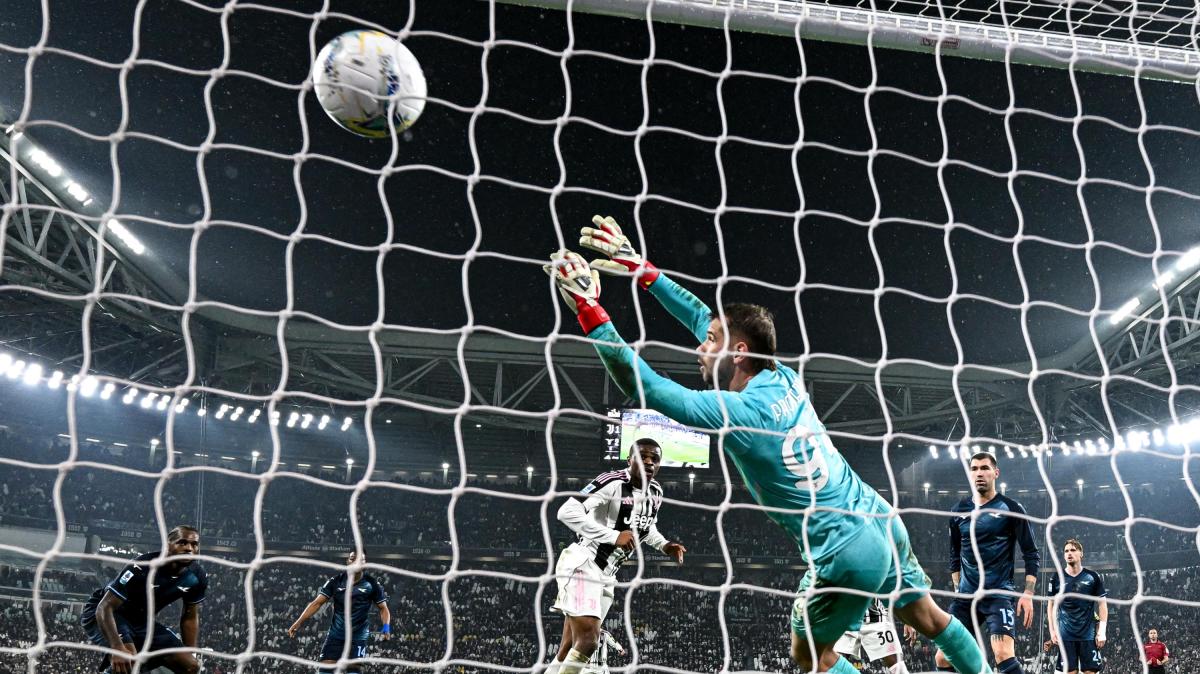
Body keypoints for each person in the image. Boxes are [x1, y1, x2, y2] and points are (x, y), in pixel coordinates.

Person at [543, 215, 992, 674]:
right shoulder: (784, 377)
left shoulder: (739, 413)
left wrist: (589, 309)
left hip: (845, 549)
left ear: (738, 352)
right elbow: (702, 315)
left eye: (710, 342)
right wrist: (643, 270)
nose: (701, 347)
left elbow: (649, 389)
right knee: (930, 617)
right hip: (879, 517)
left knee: (810, 655)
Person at [548, 438, 686, 674]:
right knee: (589, 640)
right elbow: (566, 512)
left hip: (607, 576)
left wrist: (665, 545)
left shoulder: (656, 492)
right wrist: (612, 536)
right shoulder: (611, 482)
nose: (649, 462)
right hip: (583, 563)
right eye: (642, 456)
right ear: (629, 459)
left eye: (654, 458)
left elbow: (646, 526)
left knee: (569, 646)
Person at [937, 453, 1039, 674]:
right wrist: (958, 590)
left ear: (996, 473)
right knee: (943, 657)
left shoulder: (1011, 508)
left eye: (984, 468)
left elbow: (1031, 553)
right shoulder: (957, 511)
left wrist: (1028, 593)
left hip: (998, 595)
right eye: (974, 469)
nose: (979, 473)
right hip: (966, 598)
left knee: (1002, 653)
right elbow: (955, 556)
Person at [79, 525, 206, 674]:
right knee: (130, 660)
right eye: (182, 543)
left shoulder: (197, 576)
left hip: (141, 621)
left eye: (194, 544)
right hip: (109, 613)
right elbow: (104, 607)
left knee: (192, 666)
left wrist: (190, 651)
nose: (189, 548)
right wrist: (116, 647)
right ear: (168, 544)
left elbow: (190, 617)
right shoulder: (142, 567)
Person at [287, 551, 390, 674]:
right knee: (325, 671)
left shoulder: (372, 584)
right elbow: (317, 603)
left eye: (360, 560)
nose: (356, 561)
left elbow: (383, 608)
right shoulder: (336, 581)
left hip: (357, 637)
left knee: (353, 671)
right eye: (352, 558)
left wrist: (386, 627)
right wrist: (298, 622)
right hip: (335, 636)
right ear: (347, 561)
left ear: (365, 563)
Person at [1044, 538, 1106, 674]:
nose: (1069, 553)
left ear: (1081, 554)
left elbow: (1102, 604)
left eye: (1073, 550)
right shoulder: (1056, 578)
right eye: (1066, 551)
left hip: (1088, 636)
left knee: (1090, 672)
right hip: (1066, 636)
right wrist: (1052, 631)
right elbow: (1051, 606)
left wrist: (1102, 631)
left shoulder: (1092, 576)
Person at [834, 599, 910, 674]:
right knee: (834, 665)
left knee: (899, 667)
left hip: (876, 619)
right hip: (846, 619)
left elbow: (894, 588)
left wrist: (908, 620)